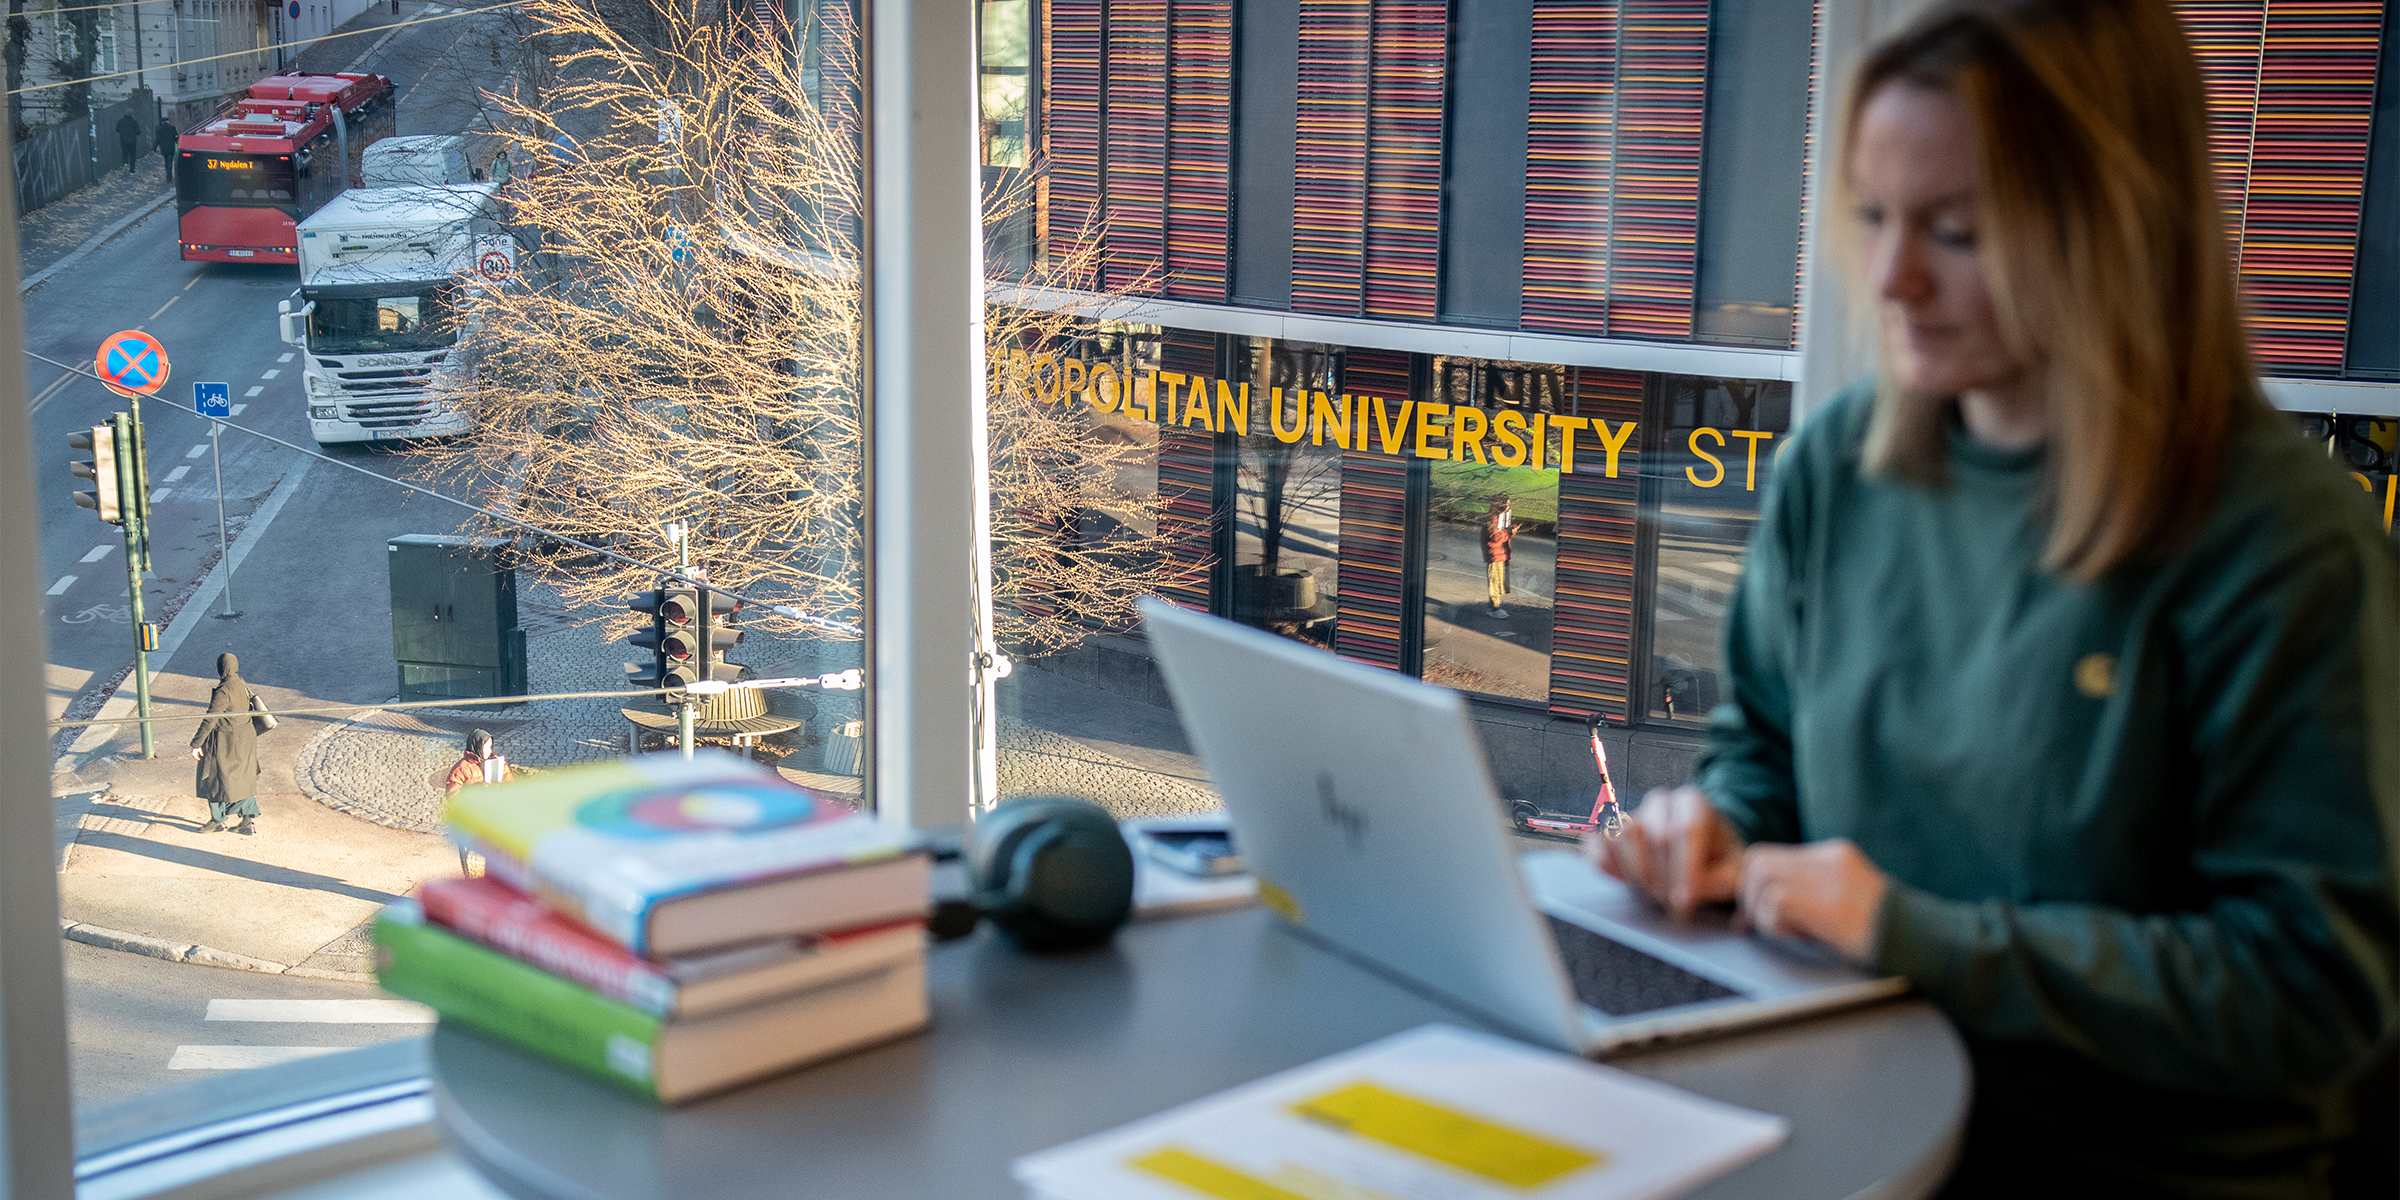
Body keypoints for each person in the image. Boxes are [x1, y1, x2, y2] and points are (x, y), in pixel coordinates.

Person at [1586, 1, 2397, 1194]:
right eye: (1874, 219)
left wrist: (1919, 937)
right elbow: (1762, 757)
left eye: (1958, 231)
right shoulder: (1837, 470)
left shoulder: (2283, 548)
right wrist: (1714, 827)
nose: (1893, 278)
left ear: (2111, 227)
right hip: (1846, 1101)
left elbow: (2309, 992)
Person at [190, 653, 264, 835]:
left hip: (225, 743)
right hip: (246, 740)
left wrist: (196, 743)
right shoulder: (241, 683)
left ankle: (217, 820)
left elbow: (210, 719)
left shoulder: (223, 691)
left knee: (213, 780)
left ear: (221, 668)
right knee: (242, 780)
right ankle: (247, 822)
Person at [446, 729, 512, 872]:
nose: (489, 750)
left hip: (496, 818)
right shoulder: (463, 768)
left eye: (490, 747)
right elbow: (452, 793)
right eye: (485, 747)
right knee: (475, 862)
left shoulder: (497, 764)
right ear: (476, 746)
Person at [1481, 498, 1514, 618]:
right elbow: (1495, 537)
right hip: (1495, 554)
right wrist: (1509, 533)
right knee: (1494, 581)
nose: (1508, 507)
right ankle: (1494, 608)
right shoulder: (1494, 517)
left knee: (1499, 581)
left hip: (1500, 553)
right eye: (1507, 504)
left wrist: (1511, 531)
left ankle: (1496, 606)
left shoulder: (1501, 516)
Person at [113, 110, 141, 177]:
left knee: (125, 153)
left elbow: (117, 129)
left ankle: (125, 164)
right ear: (131, 115)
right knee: (132, 155)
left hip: (123, 140)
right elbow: (138, 131)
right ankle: (132, 170)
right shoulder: (134, 122)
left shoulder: (120, 121)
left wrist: (122, 132)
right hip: (132, 141)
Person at [155, 113, 179, 183]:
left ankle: (168, 175)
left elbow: (157, 139)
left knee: (166, 161)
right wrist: (176, 141)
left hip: (164, 148)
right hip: (171, 147)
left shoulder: (159, 129)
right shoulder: (172, 128)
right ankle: (169, 176)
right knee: (170, 161)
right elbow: (175, 137)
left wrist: (153, 148)